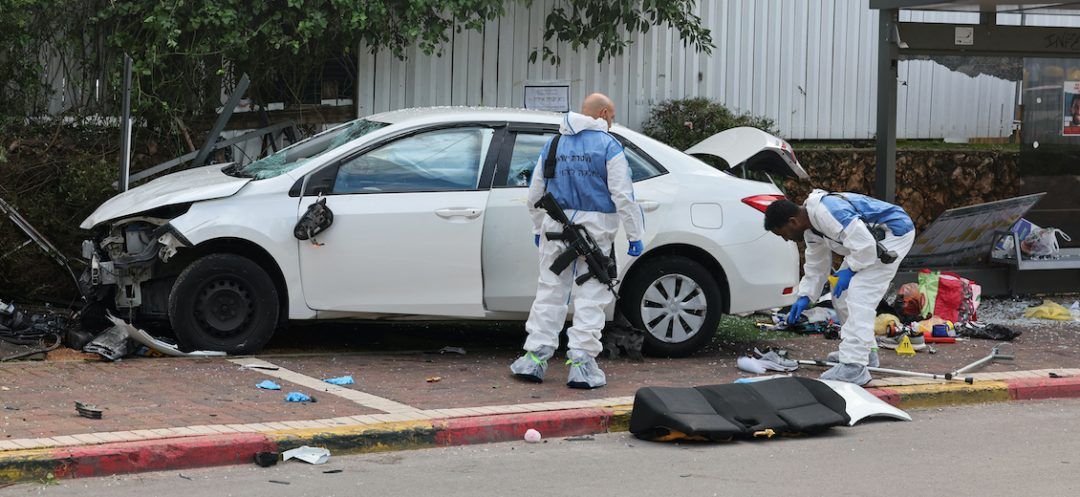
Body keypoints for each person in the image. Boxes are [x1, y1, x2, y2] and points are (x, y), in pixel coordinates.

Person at [509, 93, 645, 389]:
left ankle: (534, 359)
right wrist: (635, 235)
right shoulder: (609, 146)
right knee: (592, 297)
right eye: (613, 115)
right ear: (605, 113)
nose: (613, 121)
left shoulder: (554, 143)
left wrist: (537, 228)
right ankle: (581, 366)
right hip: (596, 233)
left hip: (556, 229)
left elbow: (535, 194)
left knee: (550, 293)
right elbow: (624, 196)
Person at [763, 190, 915, 385]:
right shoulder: (811, 229)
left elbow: (866, 246)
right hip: (870, 244)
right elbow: (817, 266)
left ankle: (854, 367)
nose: (786, 239)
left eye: (783, 234)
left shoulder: (828, 213)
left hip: (894, 234)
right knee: (841, 295)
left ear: (792, 222)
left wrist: (850, 270)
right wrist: (805, 297)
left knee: (859, 294)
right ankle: (865, 354)